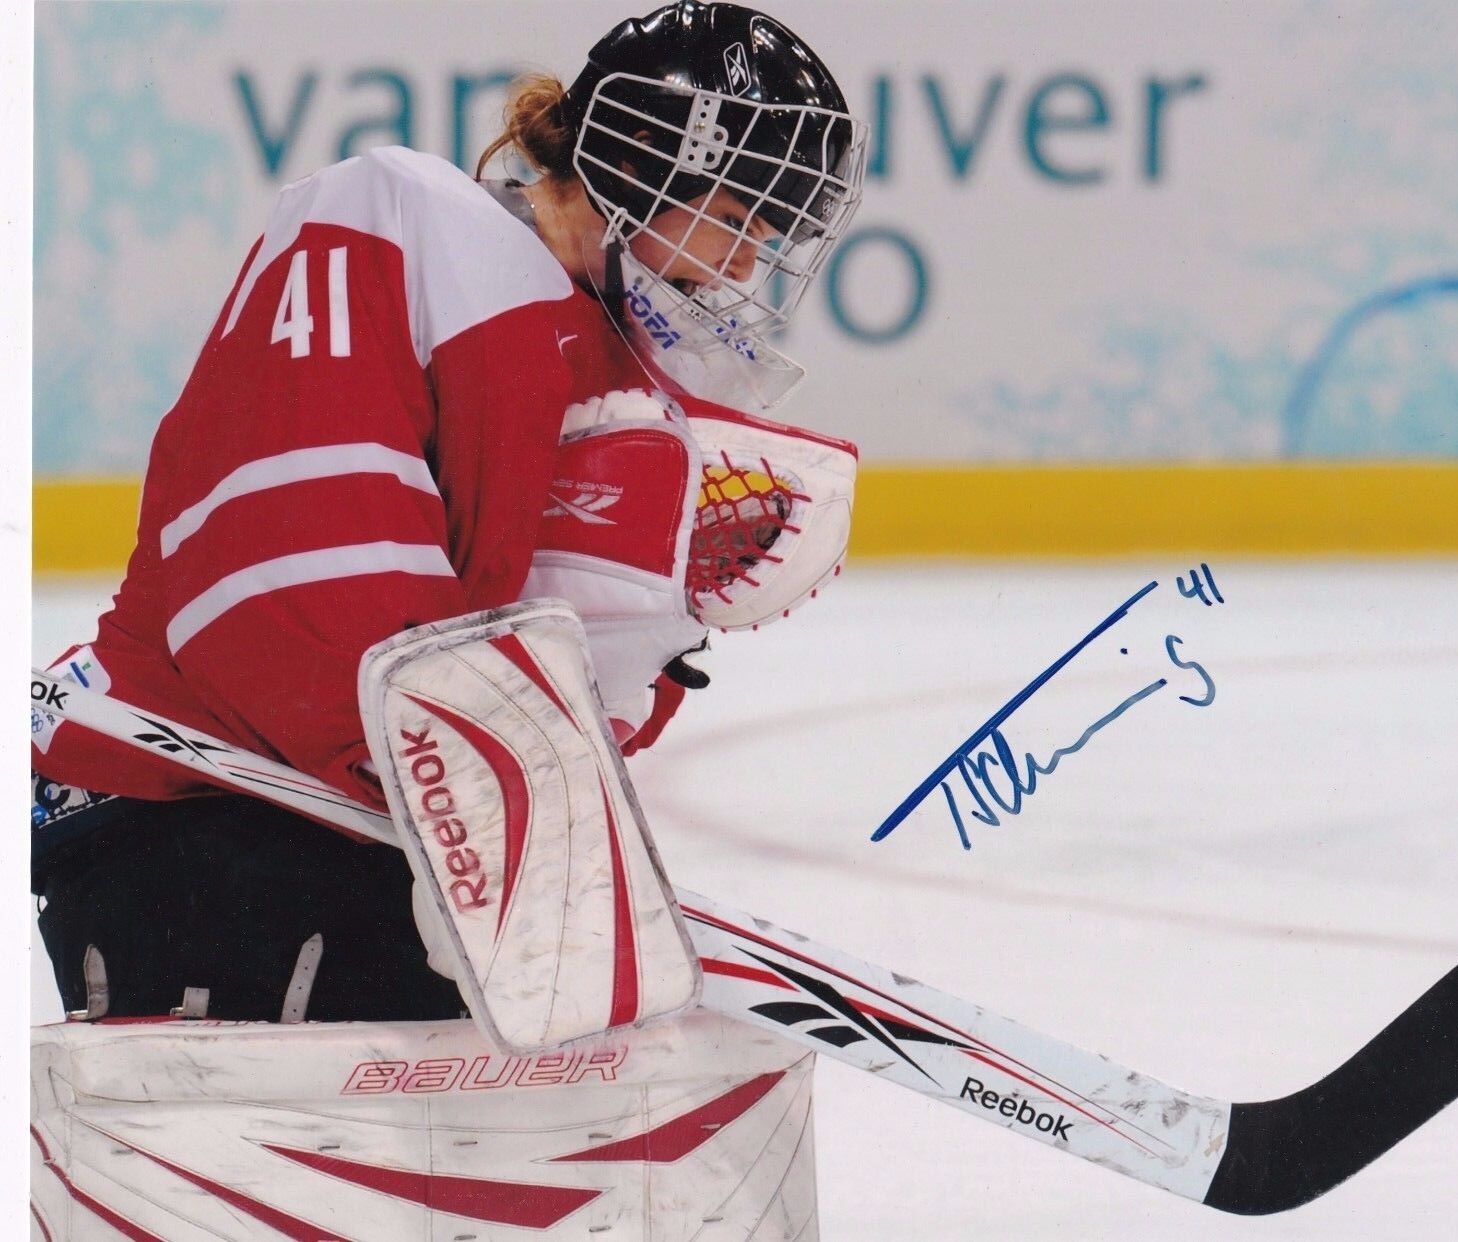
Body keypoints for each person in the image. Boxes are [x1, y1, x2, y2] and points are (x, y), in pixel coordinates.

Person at [31, 0, 866, 1027]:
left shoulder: (609, 380)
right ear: (642, 164)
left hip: (351, 828)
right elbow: (289, 570)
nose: (750, 262)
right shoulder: (402, 224)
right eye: (739, 217)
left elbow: (516, 680)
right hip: (189, 820)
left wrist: (656, 617)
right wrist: (474, 803)